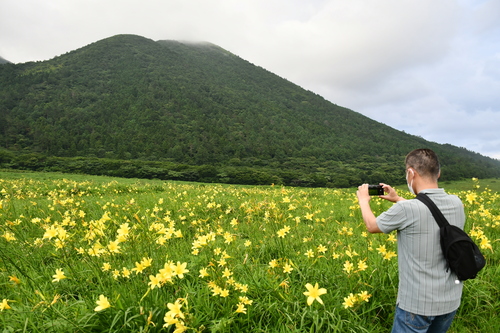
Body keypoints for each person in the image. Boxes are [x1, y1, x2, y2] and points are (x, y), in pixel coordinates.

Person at [356, 148, 465, 333]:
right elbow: (427, 210)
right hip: (450, 301)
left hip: (417, 306)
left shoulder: (408, 210)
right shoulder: (456, 202)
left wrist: (363, 201)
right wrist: (397, 198)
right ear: (438, 173)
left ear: (411, 173)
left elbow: (372, 226)